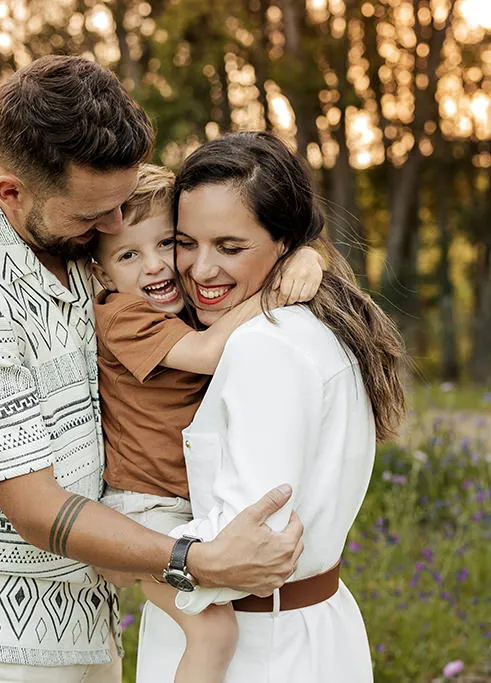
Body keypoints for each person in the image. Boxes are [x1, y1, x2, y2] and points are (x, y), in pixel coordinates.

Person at [0, 56, 304, 683]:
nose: (112, 228)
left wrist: (305, 255)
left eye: (120, 205)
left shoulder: (78, 246)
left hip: (89, 630)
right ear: (11, 192)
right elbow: (37, 509)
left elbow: (229, 233)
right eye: (93, 216)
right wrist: (199, 560)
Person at [136, 131, 406, 683]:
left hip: (253, 651)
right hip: (306, 633)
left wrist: (112, 546)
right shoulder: (313, 325)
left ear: (285, 243)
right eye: (185, 242)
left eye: (230, 248)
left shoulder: (264, 347)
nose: (200, 269)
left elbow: (248, 551)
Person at [90, 164, 325, 683]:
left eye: (168, 244)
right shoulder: (122, 315)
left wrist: (305, 254)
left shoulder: (179, 307)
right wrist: (277, 291)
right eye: (129, 255)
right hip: (146, 511)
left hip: (184, 504)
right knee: (213, 632)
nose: (157, 267)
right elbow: (206, 353)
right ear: (101, 274)